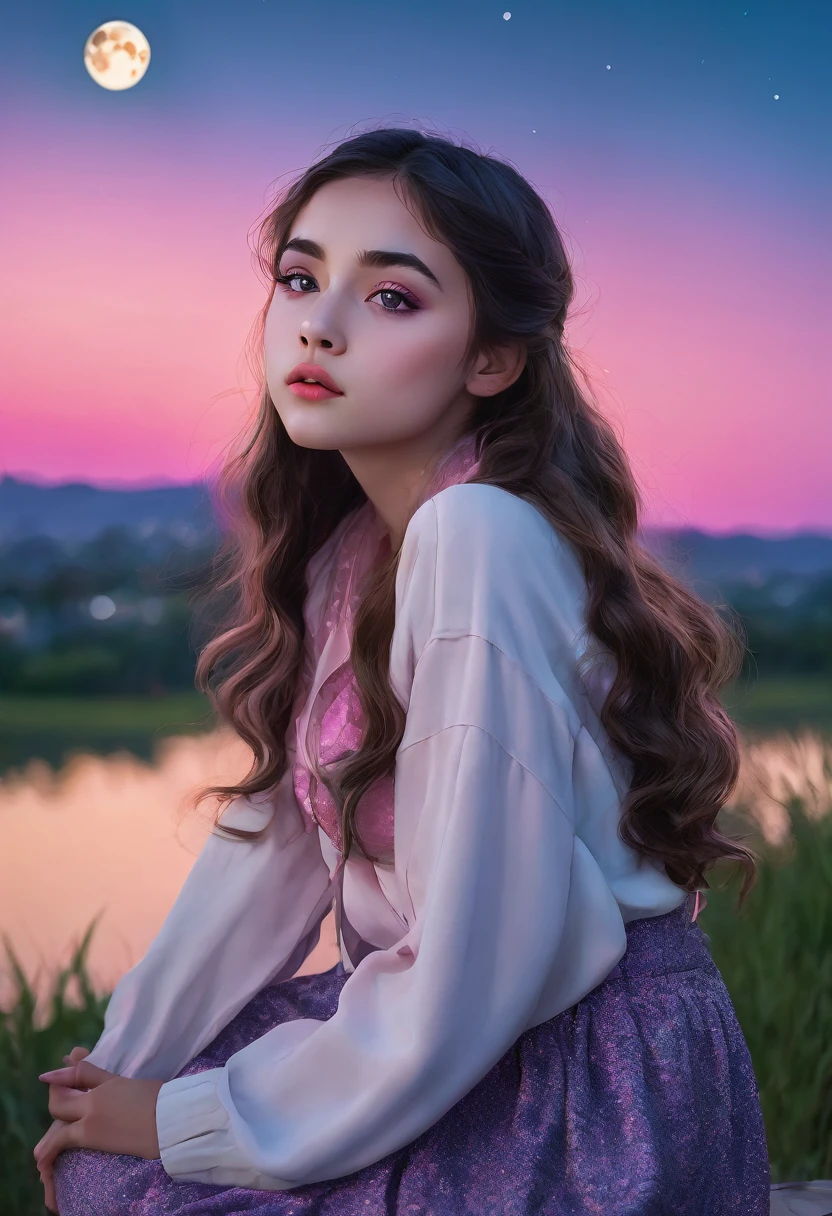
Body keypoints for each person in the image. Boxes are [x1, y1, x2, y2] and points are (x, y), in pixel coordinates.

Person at [35, 126, 771, 1214]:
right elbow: (273, 854)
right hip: (473, 1025)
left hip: (575, 1077)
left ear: (492, 358)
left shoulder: (480, 535)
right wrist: (114, 1067)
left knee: (153, 1181)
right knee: (113, 1164)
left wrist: (179, 1118)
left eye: (391, 299)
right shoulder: (351, 555)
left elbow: (489, 956)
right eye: (299, 278)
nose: (318, 326)